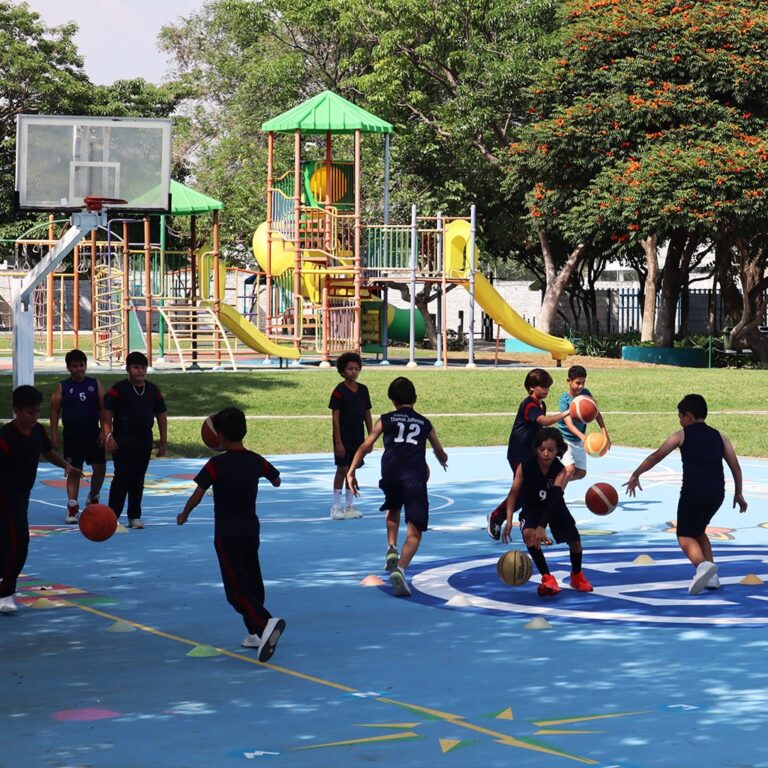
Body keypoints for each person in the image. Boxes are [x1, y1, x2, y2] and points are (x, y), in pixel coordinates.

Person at [177, 407, 285, 662]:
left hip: (226, 534)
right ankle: (254, 633)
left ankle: (266, 622)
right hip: (250, 530)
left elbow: (199, 492)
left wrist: (185, 513)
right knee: (251, 580)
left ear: (220, 436)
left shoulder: (216, 465)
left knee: (235, 590)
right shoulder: (255, 460)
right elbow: (276, 478)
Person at [623, 394, 747, 595]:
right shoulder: (720, 436)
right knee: (699, 531)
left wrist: (637, 473)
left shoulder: (682, 435)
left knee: (684, 536)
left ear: (688, 416)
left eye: (680, 416)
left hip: (694, 491)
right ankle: (712, 576)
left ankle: (702, 567)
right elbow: (736, 466)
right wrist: (739, 493)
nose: (679, 420)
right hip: (717, 493)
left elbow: (657, 455)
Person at [347, 376, 448, 597]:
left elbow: (366, 445)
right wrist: (442, 459)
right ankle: (400, 570)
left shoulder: (385, 419)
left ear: (392, 400)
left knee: (393, 508)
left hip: (390, 472)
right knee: (415, 530)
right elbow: (439, 451)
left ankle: (391, 547)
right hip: (414, 476)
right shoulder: (424, 423)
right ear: (415, 398)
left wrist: (351, 470)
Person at [0, 386, 80, 613]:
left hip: (22, 494)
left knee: (6, 539)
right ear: (16, 410)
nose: (34, 416)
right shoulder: (5, 438)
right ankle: (6, 593)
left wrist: (66, 465)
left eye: (37, 412)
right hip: (5, 495)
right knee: (20, 540)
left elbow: (47, 452)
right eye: (29, 412)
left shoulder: (38, 432)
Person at [501, 427, 592, 596]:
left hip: (555, 505)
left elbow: (555, 498)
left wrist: (542, 526)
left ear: (558, 450)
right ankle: (547, 578)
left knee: (575, 542)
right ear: (536, 448)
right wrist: (508, 519)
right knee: (529, 534)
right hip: (532, 507)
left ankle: (577, 575)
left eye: (551, 450)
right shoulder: (525, 466)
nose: (546, 453)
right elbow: (513, 494)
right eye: (542, 449)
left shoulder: (561, 470)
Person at [487, 368, 569, 540]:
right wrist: (567, 413)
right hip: (519, 453)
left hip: (531, 454)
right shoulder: (529, 404)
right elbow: (543, 421)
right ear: (532, 387)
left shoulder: (541, 404)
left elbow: (541, 429)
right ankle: (499, 517)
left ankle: (525, 524)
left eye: (548, 386)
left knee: (530, 492)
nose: (546, 390)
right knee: (524, 492)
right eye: (542, 386)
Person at [101, 351, 168, 529]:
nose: (140, 371)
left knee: (138, 479)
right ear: (128, 369)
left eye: (143, 367)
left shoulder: (153, 390)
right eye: (136, 367)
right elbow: (106, 412)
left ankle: (134, 516)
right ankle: (112, 516)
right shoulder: (119, 388)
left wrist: (163, 441)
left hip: (144, 440)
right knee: (122, 477)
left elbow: (161, 415)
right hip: (122, 440)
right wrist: (108, 435)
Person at [49, 349, 106, 524]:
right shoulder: (63, 386)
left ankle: (93, 495)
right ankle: (72, 506)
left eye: (81, 365)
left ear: (85, 366)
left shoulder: (95, 383)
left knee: (100, 467)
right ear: (68, 368)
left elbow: (104, 408)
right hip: (73, 435)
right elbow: (54, 410)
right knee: (73, 470)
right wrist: (53, 435)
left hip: (93, 433)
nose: (79, 369)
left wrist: (105, 430)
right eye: (74, 366)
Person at [328, 351, 372, 520]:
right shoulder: (339, 391)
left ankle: (349, 505)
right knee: (342, 469)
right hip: (343, 436)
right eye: (350, 369)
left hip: (358, 436)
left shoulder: (363, 390)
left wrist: (370, 436)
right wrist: (338, 442)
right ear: (342, 371)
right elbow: (335, 418)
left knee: (352, 470)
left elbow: (367, 413)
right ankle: (336, 506)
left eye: (356, 368)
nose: (354, 371)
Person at [557, 364, 611, 483]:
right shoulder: (564, 400)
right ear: (569, 381)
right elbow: (569, 424)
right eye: (578, 382)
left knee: (581, 473)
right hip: (564, 439)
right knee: (570, 470)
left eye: (583, 382)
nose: (581, 386)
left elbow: (596, 413)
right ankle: (556, 495)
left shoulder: (585, 394)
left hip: (579, 440)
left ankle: (554, 482)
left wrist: (604, 433)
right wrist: (584, 437)